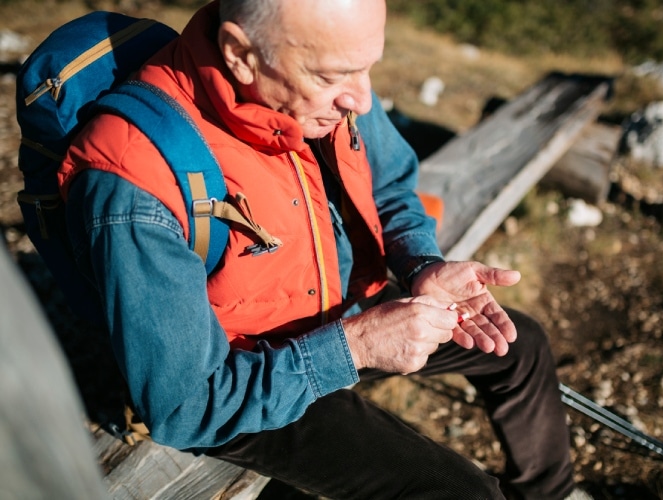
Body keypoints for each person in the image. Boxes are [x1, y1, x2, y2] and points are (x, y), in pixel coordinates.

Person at [60, 0, 580, 498]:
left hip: (332, 301)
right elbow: (187, 407)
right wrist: (353, 347)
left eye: (368, 68)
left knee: (522, 346)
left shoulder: (331, 92)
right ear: (240, 53)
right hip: (241, 378)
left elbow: (390, 184)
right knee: (462, 492)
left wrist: (422, 263)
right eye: (332, 76)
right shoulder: (133, 181)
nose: (364, 99)